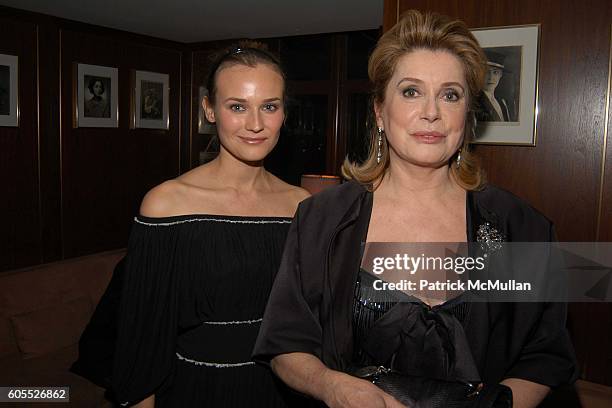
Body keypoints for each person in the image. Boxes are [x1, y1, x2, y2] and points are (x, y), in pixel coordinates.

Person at [253, 10, 577, 408]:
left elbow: (544, 356)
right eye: (410, 91)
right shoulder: (322, 218)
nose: (431, 112)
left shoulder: (520, 226)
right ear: (379, 111)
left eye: (450, 94)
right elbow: (286, 344)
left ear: (467, 117)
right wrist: (332, 386)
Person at [75, 42, 310, 407]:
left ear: (283, 113)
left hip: (283, 391)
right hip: (198, 388)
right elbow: (143, 338)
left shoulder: (301, 205)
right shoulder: (167, 203)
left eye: (269, 106)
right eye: (237, 106)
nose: (256, 124)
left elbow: (309, 320)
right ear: (209, 110)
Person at [477, 50, 515, 122]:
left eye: (495, 72)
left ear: (500, 75)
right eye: (486, 72)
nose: (491, 77)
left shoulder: (502, 103)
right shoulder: (475, 103)